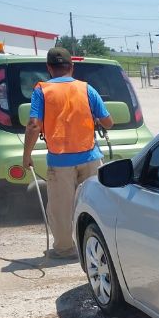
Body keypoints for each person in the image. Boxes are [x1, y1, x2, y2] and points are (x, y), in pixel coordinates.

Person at [22, 47, 113, 259]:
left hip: (60, 162)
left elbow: (34, 125)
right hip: (90, 158)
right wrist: (95, 120)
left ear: (48, 68)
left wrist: (26, 157)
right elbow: (108, 122)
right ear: (71, 67)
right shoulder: (86, 89)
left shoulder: (41, 90)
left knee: (61, 209)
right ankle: (99, 245)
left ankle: (64, 249)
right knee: (95, 204)